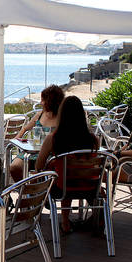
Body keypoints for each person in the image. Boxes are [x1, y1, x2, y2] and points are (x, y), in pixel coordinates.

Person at [34, 95, 99, 233]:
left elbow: (38, 166)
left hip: (62, 188)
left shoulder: (53, 139)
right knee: (69, 177)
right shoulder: (94, 140)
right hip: (90, 187)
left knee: (62, 178)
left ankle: (64, 222)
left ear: (61, 114)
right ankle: (94, 220)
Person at [9, 84, 64, 181]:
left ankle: (36, 191)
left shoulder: (63, 118)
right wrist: (16, 140)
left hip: (52, 155)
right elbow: (25, 129)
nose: (41, 103)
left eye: (43, 100)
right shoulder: (40, 114)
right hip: (32, 152)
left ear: (50, 102)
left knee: (40, 174)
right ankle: (25, 191)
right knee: (14, 167)